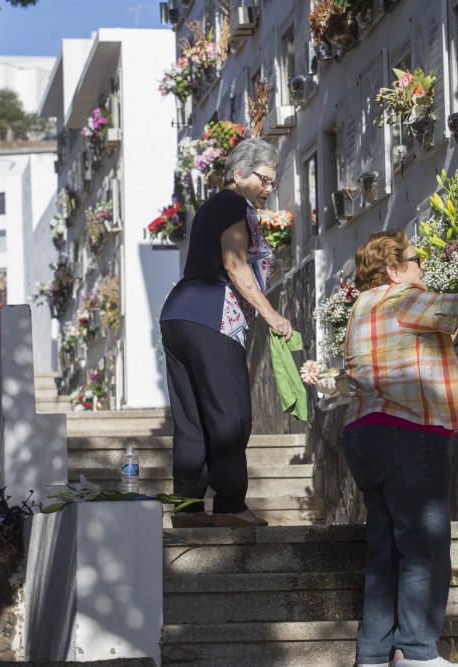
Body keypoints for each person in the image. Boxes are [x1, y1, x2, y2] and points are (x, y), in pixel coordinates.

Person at [341, 230, 458, 667]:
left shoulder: (362, 308)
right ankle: (415, 652)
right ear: (393, 270)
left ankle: (374, 655)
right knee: (424, 544)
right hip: (409, 430)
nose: (424, 269)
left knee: (385, 551)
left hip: (364, 432)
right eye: (417, 261)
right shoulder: (401, 298)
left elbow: (424, 340)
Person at [159, 138, 293, 528]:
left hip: (179, 314)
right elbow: (235, 265)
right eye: (264, 180)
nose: (269, 189)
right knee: (230, 416)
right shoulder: (233, 203)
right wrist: (271, 314)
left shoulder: (213, 207)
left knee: (193, 419)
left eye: (272, 182)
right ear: (238, 174)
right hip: (211, 315)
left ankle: (187, 509)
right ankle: (231, 506)